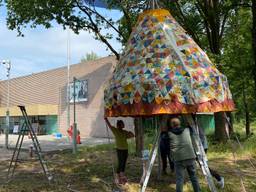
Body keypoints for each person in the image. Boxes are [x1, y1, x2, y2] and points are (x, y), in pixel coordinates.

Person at [168, 117, 201, 192]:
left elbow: (166, 143)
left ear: (171, 125)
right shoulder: (187, 130)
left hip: (178, 158)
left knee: (179, 179)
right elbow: (192, 130)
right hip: (190, 156)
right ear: (179, 123)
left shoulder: (169, 133)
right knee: (193, 177)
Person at [105, 117, 134, 185]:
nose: (123, 125)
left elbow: (132, 135)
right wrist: (106, 119)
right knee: (121, 162)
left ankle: (119, 176)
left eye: (123, 124)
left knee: (123, 162)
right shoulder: (115, 130)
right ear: (119, 125)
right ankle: (121, 177)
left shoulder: (124, 132)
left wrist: (130, 132)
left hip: (125, 149)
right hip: (120, 149)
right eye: (122, 124)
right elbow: (109, 125)